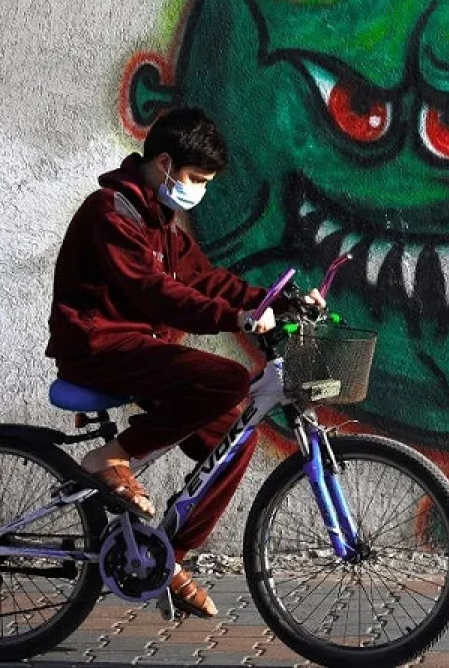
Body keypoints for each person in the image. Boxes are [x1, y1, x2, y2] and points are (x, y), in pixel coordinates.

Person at [45, 107, 323, 617]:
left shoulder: (162, 224)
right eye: (195, 179)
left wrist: (275, 303)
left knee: (235, 437)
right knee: (226, 379)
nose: (198, 190)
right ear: (165, 163)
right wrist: (235, 319)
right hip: (98, 346)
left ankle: (167, 557)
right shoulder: (112, 212)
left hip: (141, 352)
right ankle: (111, 457)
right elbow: (154, 293)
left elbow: (204, 279)